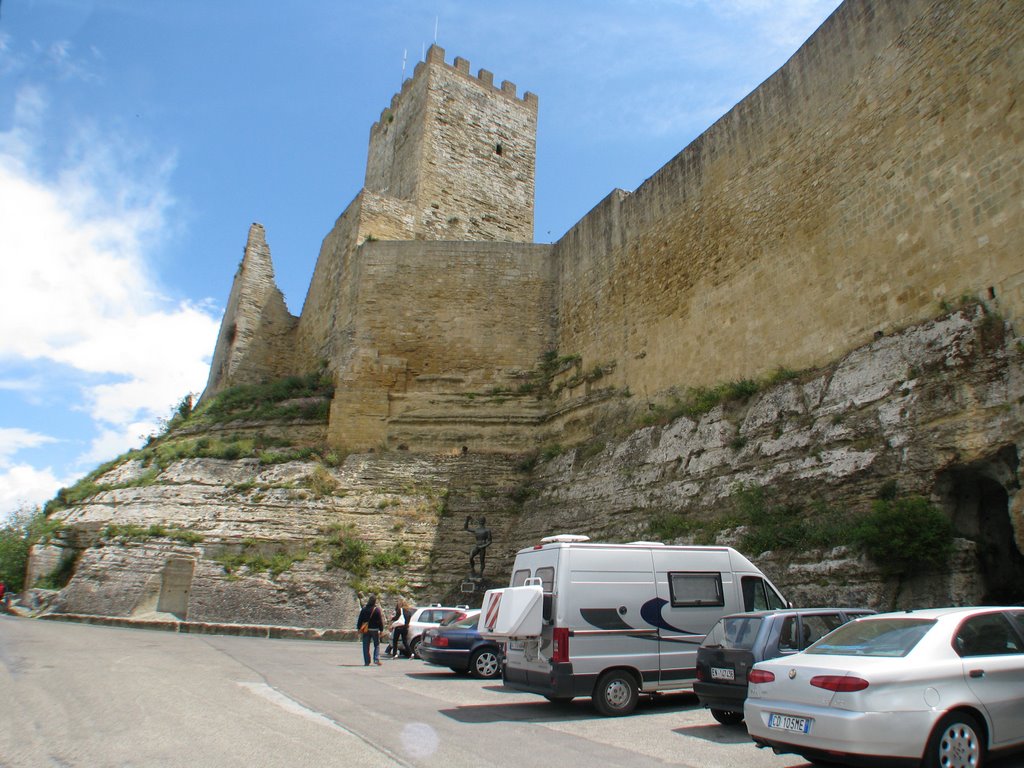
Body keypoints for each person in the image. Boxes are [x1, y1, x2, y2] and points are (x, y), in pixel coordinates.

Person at [356, 594, 385, 666]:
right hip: (375, 630)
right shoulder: (377, 610)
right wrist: (381, 630)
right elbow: (380, 621)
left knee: (365, 646)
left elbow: (360, 620)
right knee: (377, 644)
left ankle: (367, 661)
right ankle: (376, 659)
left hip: (366, 629)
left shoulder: (364, 609)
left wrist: (359, 628)